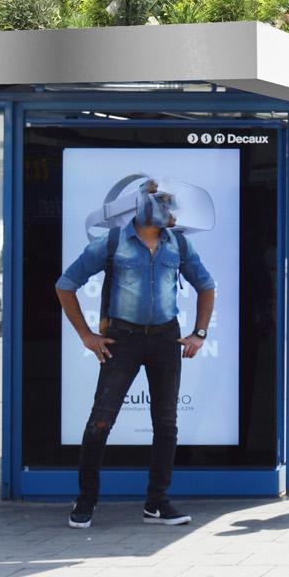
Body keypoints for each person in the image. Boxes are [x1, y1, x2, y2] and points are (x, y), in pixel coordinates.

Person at [55, 180, 216, 528]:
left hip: (166, 340)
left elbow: (206, 286)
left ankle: (157, 504)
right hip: (122, 339)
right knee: (101, 419)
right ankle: (85, 501)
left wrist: (199, 333)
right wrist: (86, 335)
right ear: (145, 207)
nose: (172, 211)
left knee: (166, 423)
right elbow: (66, 284)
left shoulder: (179, 244)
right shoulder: (113, 242)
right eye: (165, 204)